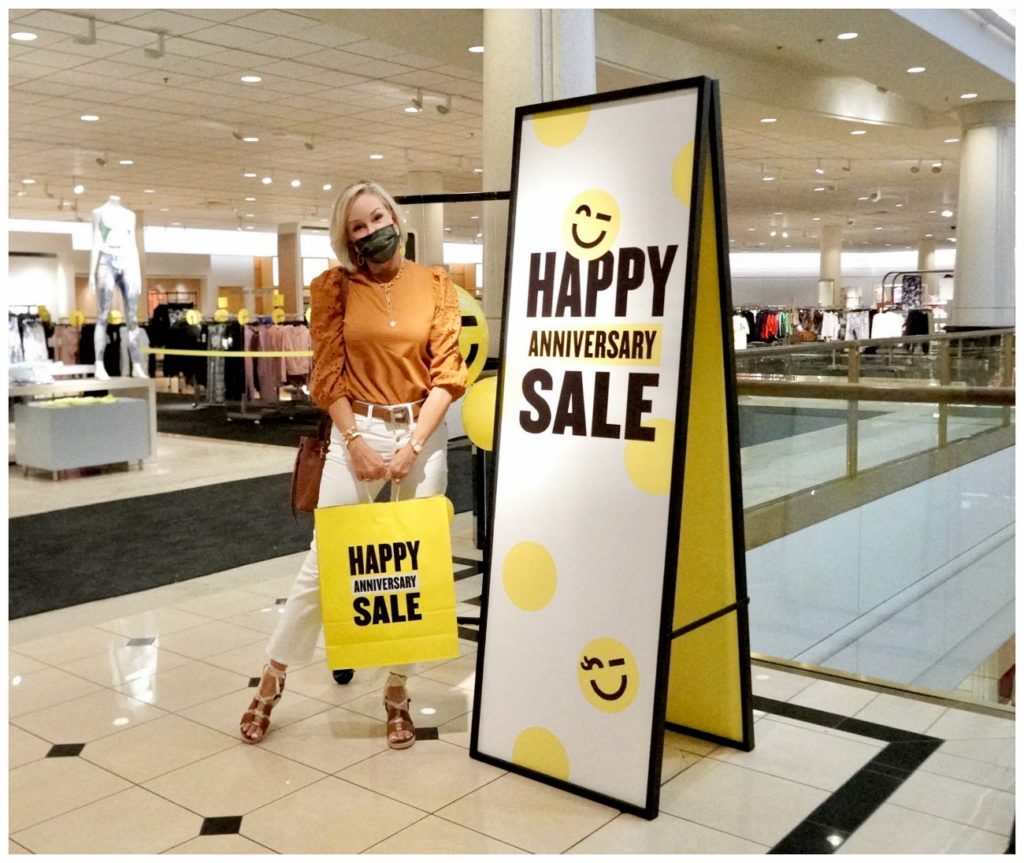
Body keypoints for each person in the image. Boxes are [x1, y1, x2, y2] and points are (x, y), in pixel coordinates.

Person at [240, 180, 467, 748]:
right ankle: (272, 678)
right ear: (348, 240)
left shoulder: (436, 285)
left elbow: (449, 373)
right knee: (325, 562)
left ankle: (396, 690)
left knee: (414, 566)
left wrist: (413, 443)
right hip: (355, 430)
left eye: (375, 219)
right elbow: (327, 374)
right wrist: (356, 441)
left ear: (395, 214)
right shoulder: (333, 288)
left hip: (421, 430)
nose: (370, 232)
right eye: (357, 228)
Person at [88, 195, 147, 379]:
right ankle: (99, 364)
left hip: (128, 259)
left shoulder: (130, 215)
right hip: (107, 258)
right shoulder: (98, 212)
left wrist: (137, 271)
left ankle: (137, 364)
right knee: (103, 315)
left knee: (132, 318)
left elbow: (133, 244)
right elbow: (96, 241)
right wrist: (91, 272)